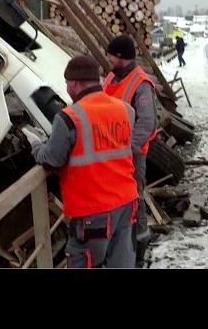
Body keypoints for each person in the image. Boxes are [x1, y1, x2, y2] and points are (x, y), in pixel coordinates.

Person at [24, 55, 138, 268]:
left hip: (93, 211)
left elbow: (53, 158)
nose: (66, 88)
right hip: (126, 203)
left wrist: (37, 146)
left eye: (67, 83)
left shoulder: (69, 117)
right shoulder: (125, 110)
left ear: (74, 83)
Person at [103, 35, 158, 268]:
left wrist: (126, 150)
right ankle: (119, 247)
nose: (107, 58)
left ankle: (139, 249)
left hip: (130, 156)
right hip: (109, 154)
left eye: (110, 55)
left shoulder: (141, 83)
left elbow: (147, 123)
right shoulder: (111, 77)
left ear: (121, 57)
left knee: (135, 200)